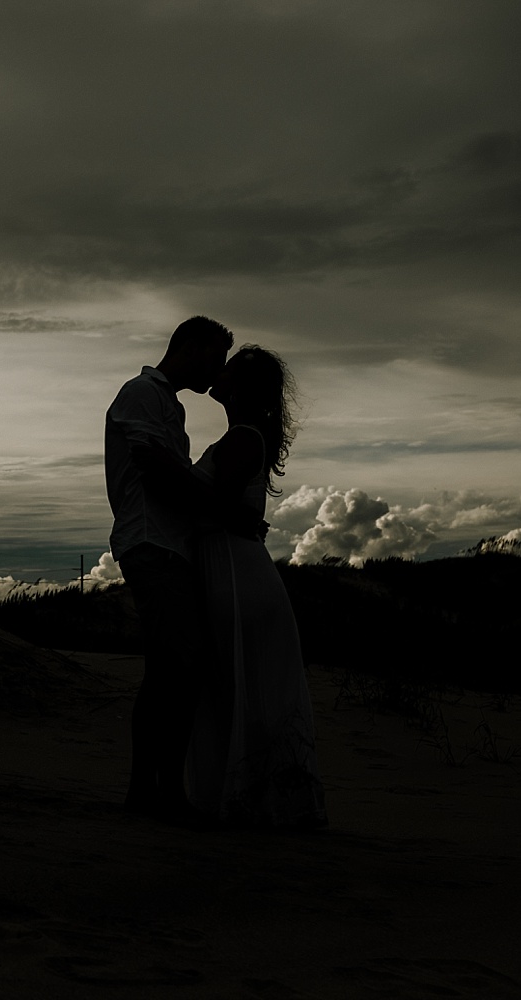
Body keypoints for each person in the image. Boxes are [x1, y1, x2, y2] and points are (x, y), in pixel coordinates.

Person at [187, 345, 327, 828]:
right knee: (234, 681)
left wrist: (164, 469)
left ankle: (248, 798)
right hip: (229, 561)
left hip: (232, 567)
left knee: (237, 680)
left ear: (240, 386)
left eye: (226, 369)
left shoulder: (244, 438)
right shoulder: (240, 436)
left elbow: (212, 505)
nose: (216, 373)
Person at [104, 316, 231, 826]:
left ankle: (150, 792)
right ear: (192, 348)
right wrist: (216, 499)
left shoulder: (168, 403)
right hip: (151, 542)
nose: (216, 371)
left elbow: (164, 463)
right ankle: (161, 793)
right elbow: (151, 460)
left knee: (168, 669)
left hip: (163, 544)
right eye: (214, 358)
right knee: (180, 664)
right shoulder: (142, 392)